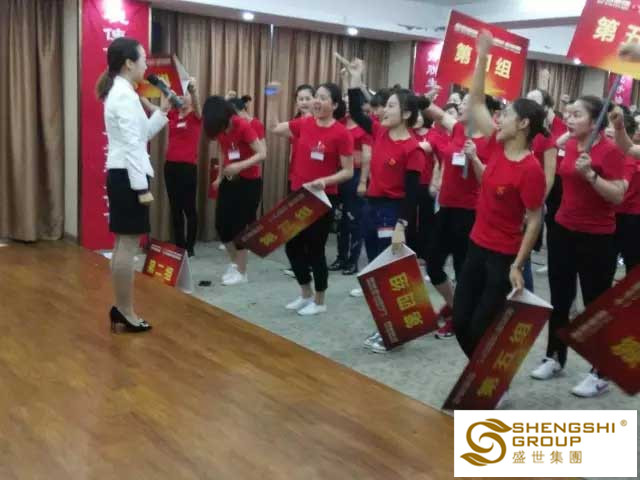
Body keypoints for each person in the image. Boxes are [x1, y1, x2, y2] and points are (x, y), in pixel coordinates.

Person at [452, 30, 546, 370]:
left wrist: (518, 264)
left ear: (523, 124)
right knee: (460, 321)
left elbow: (534, 219)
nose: (499, 118)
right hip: (476, 245)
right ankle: (486, 375)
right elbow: (477, 101)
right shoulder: (495, 144)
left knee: (481, 325)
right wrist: (482, 55)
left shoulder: (531, 169)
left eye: (506, 114)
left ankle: (489, 380)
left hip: (502, 256)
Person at [530, 95, 626, 398]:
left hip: (596, 237)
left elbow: (617, 196)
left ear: (595, 120)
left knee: (594, 306)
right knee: (560, 298)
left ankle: (601, 372)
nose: (569, 120)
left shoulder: (610, 151)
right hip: (563, 231)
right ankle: (554, 357)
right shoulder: (570, 144)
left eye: (577, 115)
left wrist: (591, 176)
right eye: (569, 114)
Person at [345, 59, 427, 353]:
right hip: (372, 208)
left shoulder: (413, 149)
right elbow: (357, 112)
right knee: (374, 269)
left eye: (391, 106)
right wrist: (356, 79)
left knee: (390, 273)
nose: (384, 110)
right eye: (385, 106)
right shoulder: (379, 132)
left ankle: (395, 331)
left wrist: (400, 227)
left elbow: (412, 195)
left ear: (406, 113)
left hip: (392, 213)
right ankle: (385, 327)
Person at [98, 37, 169, 333]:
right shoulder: (124, 96)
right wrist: (141, 188)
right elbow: (131, 145)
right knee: (127, 245)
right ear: (129, 63)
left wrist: (163, 112)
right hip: (130, 176)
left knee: (122, 244)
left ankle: (122, 308)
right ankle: (125, 311)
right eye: (143, 60)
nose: (145, 66)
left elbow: (140, 137)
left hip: (126, 173)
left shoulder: (123, 92)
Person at [267, 81, 354, 316]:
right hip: (298, 196)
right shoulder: (304, 124)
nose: (317, 101)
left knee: (315, 250)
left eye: (324, 98)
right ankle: (305, 293)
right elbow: (274, 127)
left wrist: (325, 181)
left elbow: (348, 171)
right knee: (292, 247)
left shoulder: (341, 133)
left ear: (334, 105)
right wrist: (273, 99)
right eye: (317, 96)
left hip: (322, 198)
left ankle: (319, 300)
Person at [422, 90, 498, 339]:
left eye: (466, 103)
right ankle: (455, 306)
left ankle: (460, 316)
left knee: (462, 268)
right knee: (433, 264)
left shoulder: (491, 140)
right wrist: (425, 98)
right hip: (446, 207)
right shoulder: (457, 129)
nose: (460, 106)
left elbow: (489, 181)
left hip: (470, 212)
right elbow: (433, 111)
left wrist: (473, 157)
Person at [203, 96, 267, 286]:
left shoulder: (243, 125)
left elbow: (262, 153)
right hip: (229, 180)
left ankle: (242, 272)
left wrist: (240, 166)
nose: (222, 132)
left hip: (249, 182)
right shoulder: (220, 129)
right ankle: (235, 264)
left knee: (239, 229)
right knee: (222, 225)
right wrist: (219, 177)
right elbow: (223, 152)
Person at [328, 94, 372, 275]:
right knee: (340, 221)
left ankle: (353, 261)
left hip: (355, 177)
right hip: (338, 176)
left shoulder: (364, 126)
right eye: (344, 103)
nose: (347, 106)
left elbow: (367, 157)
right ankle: (341, 257)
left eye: (350, 103)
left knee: (354, 221)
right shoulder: (339, 123)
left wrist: (362, 182)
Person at [160, 78, 201, 257]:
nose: (182, 97)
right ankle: (180, 246)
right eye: (180, 94)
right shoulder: (173, 114)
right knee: (175, 208)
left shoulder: (196, 116)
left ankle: (190, 246)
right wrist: (141, 97)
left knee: (189, 208)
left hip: (187, 168)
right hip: (170, 167)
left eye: (185, 94)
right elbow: (157, 110)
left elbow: (198, 107)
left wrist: (193, 91)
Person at [609, 107, 640, 273]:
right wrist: (619, 127)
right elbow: (629, 148)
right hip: (616, 213)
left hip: (633, 215)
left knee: (632, 261)